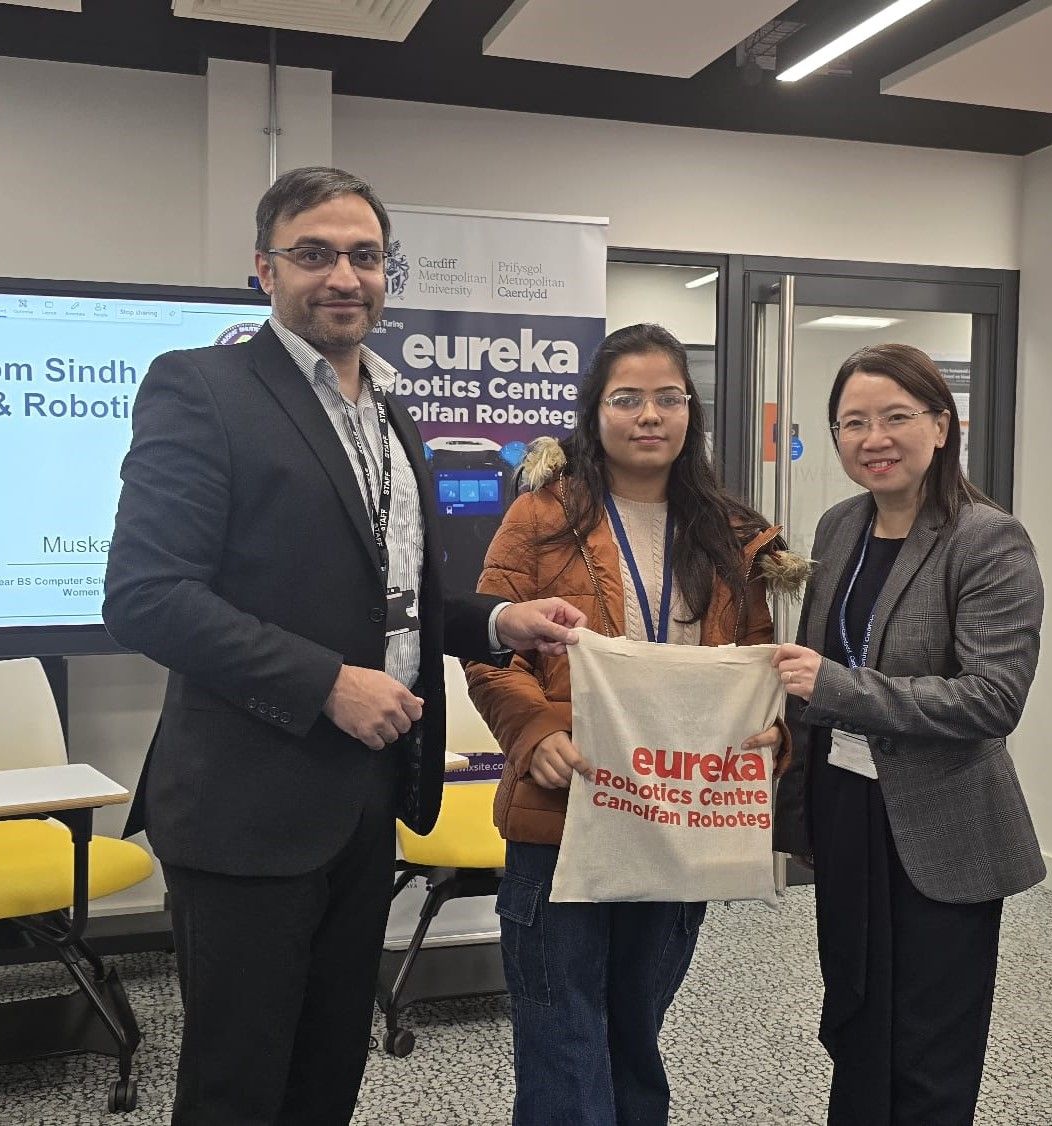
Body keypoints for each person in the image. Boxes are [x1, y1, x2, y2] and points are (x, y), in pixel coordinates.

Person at [102, 166, 585, 1126]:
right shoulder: (201, 387)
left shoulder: (389, 409)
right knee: (238, 1086)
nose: (343, 277)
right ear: (262, 270)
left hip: (364, 797)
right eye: (313, 254)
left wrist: (497, 620)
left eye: (364, 256)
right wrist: (325, 684)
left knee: (328, 1071)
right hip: (247, 805)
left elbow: (387, 602)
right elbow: (146, 597)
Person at [465, 323, 807, 1126]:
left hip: (677, 819)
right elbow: (490, 649)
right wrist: (534, 732)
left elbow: (759, 664)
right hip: (565, 812)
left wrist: (773, 734)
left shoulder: (730, 533)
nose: (648, 415)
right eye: (626, 399)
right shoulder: (540, 517)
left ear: (690, 412)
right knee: (561, 1039)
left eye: (667, 398)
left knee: (635, 1035)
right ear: (594, 412)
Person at [770, 343, 1045, 1126]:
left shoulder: (986, 540)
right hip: (847, 812)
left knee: (928, 1048)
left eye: (895, 417)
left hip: (942, 829)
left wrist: (836, 687)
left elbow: (991, 700)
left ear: (941, 424)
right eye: (852, 422)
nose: (873, 438)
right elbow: (816, 669)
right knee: (854, 1021)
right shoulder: (840, 524)